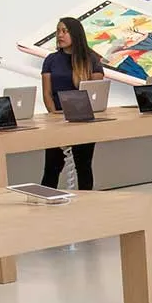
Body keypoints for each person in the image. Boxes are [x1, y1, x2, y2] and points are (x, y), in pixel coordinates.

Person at [39, 16, 104, 190]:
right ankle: (46, 202)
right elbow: (47, 93)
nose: (60, 35)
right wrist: (54, 115)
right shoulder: (51, 60)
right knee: (51, 169)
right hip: (58, 122)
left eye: (65, 31)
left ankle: (86, 203)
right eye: (58, 31)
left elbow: (96, 90)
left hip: (83, 121)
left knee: (84, 167)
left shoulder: (91, 59)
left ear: (75, 34)